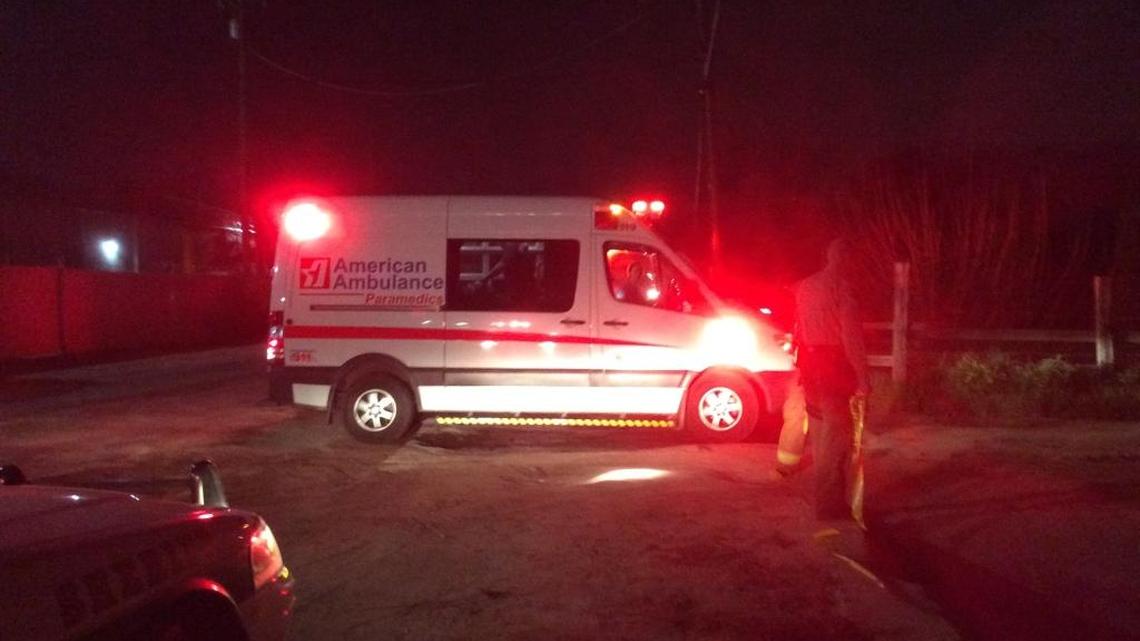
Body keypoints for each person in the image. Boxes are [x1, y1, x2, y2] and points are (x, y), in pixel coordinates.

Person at [792, 238, 870, 522]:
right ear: (847, 258)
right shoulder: (843, 288)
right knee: (836, 440)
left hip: (810, 367)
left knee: (820, 436)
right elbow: (851, 336)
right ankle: (829, 505)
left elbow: (798, 329)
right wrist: (862, 376)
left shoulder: (805, 286)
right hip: (833, 368)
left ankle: (825, 500)